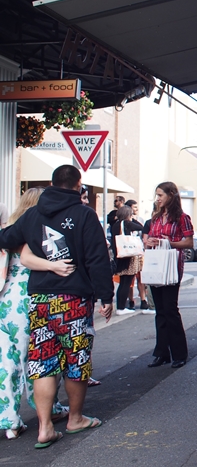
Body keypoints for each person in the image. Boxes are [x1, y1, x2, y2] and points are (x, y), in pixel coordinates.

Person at [0, 165, 114, 448]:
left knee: (42, 361)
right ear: (78, 185)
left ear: (52, 183)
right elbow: (97, 259)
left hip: (39, 299)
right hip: (73, 299)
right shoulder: (85, 215)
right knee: (76, 359)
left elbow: (6, 239)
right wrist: (106, 297)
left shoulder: (32, 215)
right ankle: (75, 418)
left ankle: (45, 428)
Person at [0, 188, 73, 440]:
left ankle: (9, 419)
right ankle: (46, 411)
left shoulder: (8, 230)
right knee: (38, 357)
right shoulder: (36, 230)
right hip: (31, 297)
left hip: (6, 299)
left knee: (7, 361)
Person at [143, 182, 193, 369]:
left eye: (160, 195)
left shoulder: (181, 218)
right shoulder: (155, 218)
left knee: (170, 309)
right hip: (156, 266)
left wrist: (169, 242)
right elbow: (147, 238)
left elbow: (188, 242)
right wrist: (149, 241)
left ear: (171, 195)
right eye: (157, 195)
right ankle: (161, 353)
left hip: (171, 268)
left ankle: (179, 353)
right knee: (160, 311)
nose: (157, 199)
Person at [110, 205, 144, 316]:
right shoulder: (127, 224)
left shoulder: (115, 225)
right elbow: (140, 227)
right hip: (128, 257)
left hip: (119, 256)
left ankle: (120, 306)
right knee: (127, 282)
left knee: (122, 283)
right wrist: (132, 219)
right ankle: (121, 307)